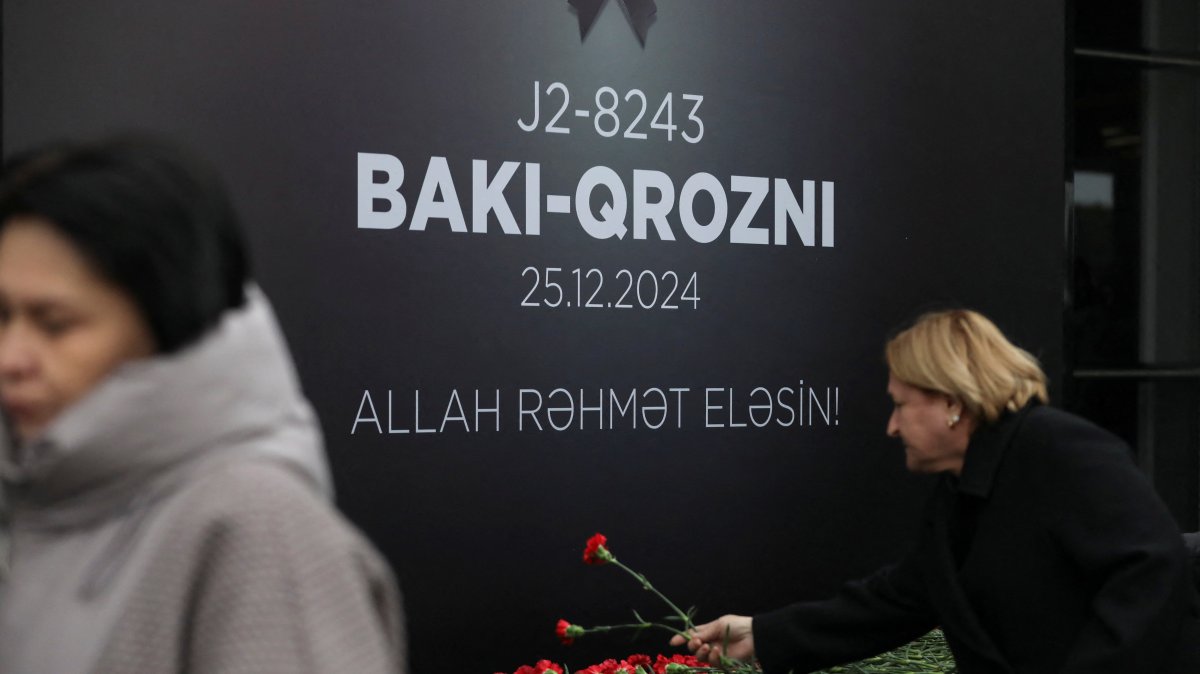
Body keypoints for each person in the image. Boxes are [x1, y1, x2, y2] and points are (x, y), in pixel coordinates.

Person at [0, 138, 406, 673]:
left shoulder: (262, 532)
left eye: (55, 324)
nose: (11, 358)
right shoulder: (33, 492)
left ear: (166, 323)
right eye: (1, 316)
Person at [671, 309, 1200, 673]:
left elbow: (1154, 569)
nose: (891, 427)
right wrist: (763, 635)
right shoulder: (962, 490)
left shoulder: (1058, 449)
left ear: (952, 402)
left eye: (901, 404)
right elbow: (899, 599)